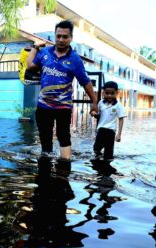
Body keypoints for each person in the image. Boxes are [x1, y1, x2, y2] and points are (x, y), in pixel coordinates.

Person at [26, 20, 98, 160]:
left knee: (63, 136)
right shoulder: (45, 53)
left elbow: (85, 81)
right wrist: (35, 47)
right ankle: (45, 168)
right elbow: (30, 66)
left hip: (63, 107)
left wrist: (94, 101)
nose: (61, 39)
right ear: (55, 36)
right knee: (45, 138)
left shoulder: (75, 59)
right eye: (58, 36)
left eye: (65, 37)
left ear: (71, 38)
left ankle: (65, 167)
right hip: (43, 106)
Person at [93, 81, 126, 161]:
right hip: (101, 129)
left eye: (112, 93)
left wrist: (119, 134)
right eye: (107, 93)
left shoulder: (118, 106)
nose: (109, 95)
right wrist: (94, 113)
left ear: (117, 93)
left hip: (111, 131)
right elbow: (99, 114)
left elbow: (121, 119)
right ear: (103, 93)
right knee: (96, 148)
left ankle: (106, 169)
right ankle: (98, 156)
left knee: (108, 154)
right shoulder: (101, 103)